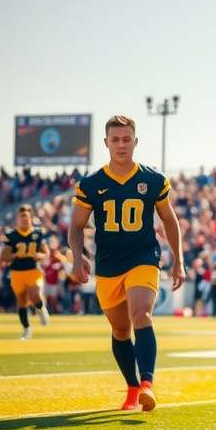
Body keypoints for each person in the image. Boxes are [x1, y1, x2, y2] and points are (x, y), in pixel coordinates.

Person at [68, 115, 185, 411]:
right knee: (120, 330)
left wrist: (179, 260)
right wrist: (78, 255)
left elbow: (169, 220)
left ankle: (147, 384)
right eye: (115, 139)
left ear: (135, 141)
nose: (121, 144)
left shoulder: (153, 179)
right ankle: (132, 388)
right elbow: (76, 226)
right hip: (107, 264)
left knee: (141, 314)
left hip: (143, 258)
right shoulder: (91, 184)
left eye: (126, 139)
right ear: (106, 143)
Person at [0, 204, 51, 339]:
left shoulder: (38, 233)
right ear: (18, 218)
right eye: (22, 217)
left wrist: (41, 256)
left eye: (26, 217)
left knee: (34, 294)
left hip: (33, 270)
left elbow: (46, 252)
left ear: (31, 218)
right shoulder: (11, 235)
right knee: (21, 302)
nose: (24, 220)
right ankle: (27, 329)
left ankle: (41, 308)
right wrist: (14, 255)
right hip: (17, 272)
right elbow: (3, 257)